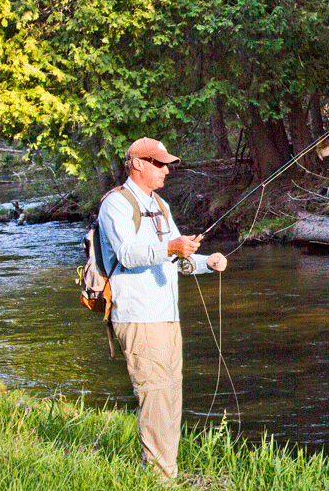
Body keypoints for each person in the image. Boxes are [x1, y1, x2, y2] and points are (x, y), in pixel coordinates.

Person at [96, 137, 228, 481]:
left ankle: (167, 472)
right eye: (158, 163)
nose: (166, 169)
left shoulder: (161, 206)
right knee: (154, 396)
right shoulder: (116, 205)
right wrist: (170, 245)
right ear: (137, 163)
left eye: (166, 163)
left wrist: (206, 263)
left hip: (168, 315)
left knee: (171, 394)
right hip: (139, 316)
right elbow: (128, 254)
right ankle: (158, 478)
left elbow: (176, 257)